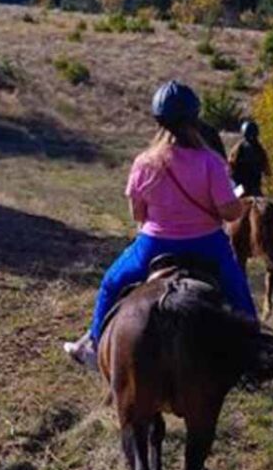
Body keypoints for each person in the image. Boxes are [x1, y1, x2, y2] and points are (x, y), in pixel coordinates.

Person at [64, 81, 256, 369]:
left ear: (158, 119)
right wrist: (234, 205)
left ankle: (92, 343)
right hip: (208, 245)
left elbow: (137, 214)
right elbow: (230, 214)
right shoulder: (212, 162)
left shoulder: (145, 162)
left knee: (111, 283)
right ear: (194, 118)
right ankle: (254, 351)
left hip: (154, 245)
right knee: (239, 293)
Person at [228, 119, 270, 198]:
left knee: (230, 201)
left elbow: (230, 166)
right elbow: (267, 171)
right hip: (255, 188)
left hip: (241, 188)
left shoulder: (237, 148)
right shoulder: (260, 149)